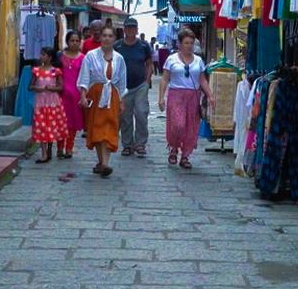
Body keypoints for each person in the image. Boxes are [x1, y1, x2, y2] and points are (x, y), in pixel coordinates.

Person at [77, 23, 127, 177]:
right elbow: (85, 77)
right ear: (100, 38)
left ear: (114, 38)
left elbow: (122, 82)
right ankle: (102, 162)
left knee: (109, 127)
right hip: (95, 95)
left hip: (112, 96)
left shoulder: (119, 59)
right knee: (97, 127)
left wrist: (121, 100)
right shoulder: (91, 56)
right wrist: (83, 95)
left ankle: (105, 163)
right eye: (104, 36)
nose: (107, 39)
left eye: (110, 36)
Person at [158, 27, 209, 169]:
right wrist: (161, 98)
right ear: (180, 44)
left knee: (191, 127)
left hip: (193, 96)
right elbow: (164, 79)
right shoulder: (171, 59)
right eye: (186, 43)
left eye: (191, 43)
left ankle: (185, 155)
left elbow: (203, 80)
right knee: (178, 124)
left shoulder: (198, 61)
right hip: (176, 95)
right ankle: (173, 147)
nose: (189, 46)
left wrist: (210, 95)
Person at [114, 18, 153, 158]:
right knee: (125, 116)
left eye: (133, 28)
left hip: (140, 84)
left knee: (142, 113)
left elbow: (149, 64)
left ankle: (140, 144)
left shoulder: (143, 46)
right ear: (124, 30)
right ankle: (127, 145)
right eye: (128, 28)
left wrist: (147, 81)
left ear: (137, 30)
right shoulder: (117, 46)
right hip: (123, 86)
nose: (130, 30)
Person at [29, 48, 66, 165]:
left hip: (52, 103)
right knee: (41, 127)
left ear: (50, 57)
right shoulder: (36, 71)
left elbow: (61, 87)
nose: (41, 57)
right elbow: (30, 86)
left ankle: (49, 149)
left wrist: (52, 88)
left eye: (43, 55)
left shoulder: (56, 71)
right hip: (40, 103)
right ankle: (44, 153)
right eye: (41, 54)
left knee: (50, 127)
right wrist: (37, 88)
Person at [57, 28, 84, 159]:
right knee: (61, 121)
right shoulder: (60, 56)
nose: (74, 43)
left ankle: (69, 148)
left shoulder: (83, 58)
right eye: (72, 40)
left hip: (76, 95)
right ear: (67, 41)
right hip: (61, 94)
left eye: (77, 40)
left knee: (72, 123)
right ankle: (59, 147)